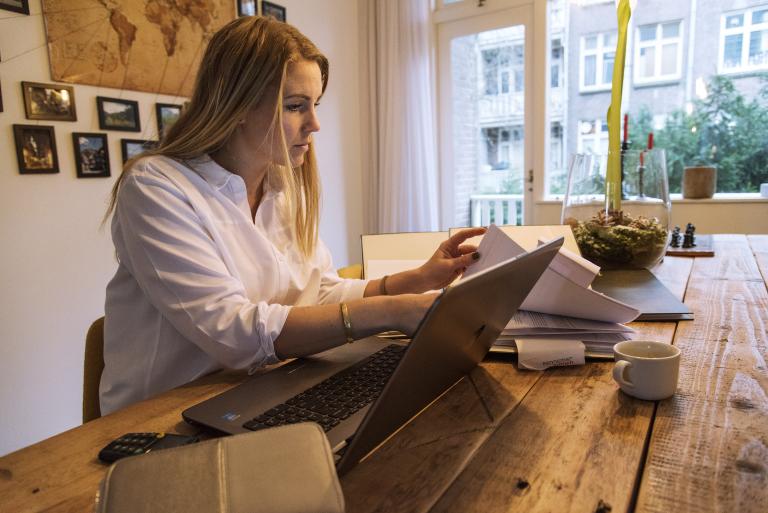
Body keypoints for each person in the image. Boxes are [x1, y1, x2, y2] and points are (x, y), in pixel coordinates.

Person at [100, 16, 485, 415]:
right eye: (296, 106)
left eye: (314, 105)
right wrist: (392, 310)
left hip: (258, 394)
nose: (315, 124)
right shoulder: (156, 187)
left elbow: (318, 292)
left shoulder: (280, 187)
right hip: (160, 422)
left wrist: (418, 280)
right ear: (238, 105)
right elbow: (237, 334)